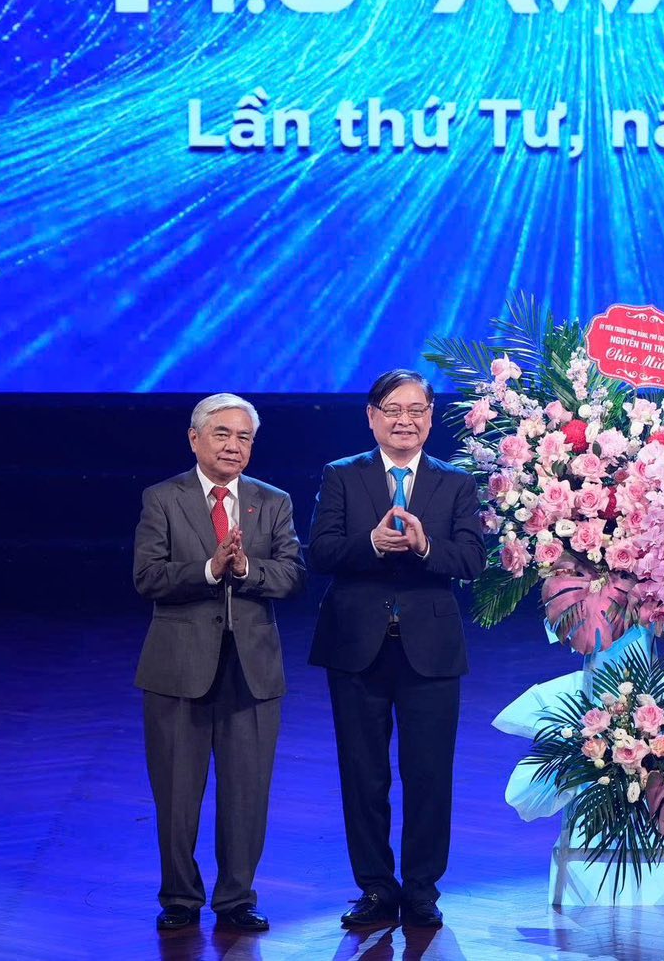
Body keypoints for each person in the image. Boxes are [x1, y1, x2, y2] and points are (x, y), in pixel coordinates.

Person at [307, 369, 485, 931]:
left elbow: (472, 560)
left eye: (416, 410)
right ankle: (376, 889)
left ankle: (422, 889)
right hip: (355, 647)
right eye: (392, 409)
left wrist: (425, 546)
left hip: (430, 651)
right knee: (364, 775)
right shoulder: (342, 475)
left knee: (429, 774)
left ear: (430, 418)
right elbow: (320, 552)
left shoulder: (456, 483)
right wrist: (372, 544)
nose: (404, 420)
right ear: (372, 416)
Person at [133, 393, 304, 933]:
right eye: (222, 434)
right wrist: (209, 569)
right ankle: (179, 898)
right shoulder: (163, 498)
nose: (233, 445)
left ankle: (237, 899)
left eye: (244, 437)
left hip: (252, 670)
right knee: (176, 792)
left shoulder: (273, 502)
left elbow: (292, 576)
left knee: (247, 792)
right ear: (195, 439)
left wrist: (247, 568)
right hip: (177, 667)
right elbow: (147, 577)